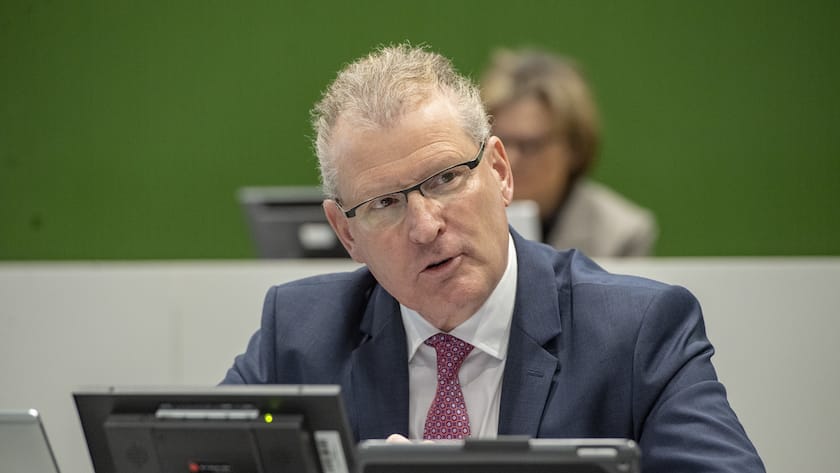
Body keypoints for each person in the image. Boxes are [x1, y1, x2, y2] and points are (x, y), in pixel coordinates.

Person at [222, 43, 764, 472]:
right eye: (384, 203)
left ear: (500, 173)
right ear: (346, 232)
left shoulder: (636, 333)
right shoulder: (298, 335)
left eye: (444, 179)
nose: (425, 226)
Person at [480, 48, 658, 256]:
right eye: (498, 142)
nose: (508, 158)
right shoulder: (461, 216)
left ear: (574, 147)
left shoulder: (620, 234)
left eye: (530, 145)